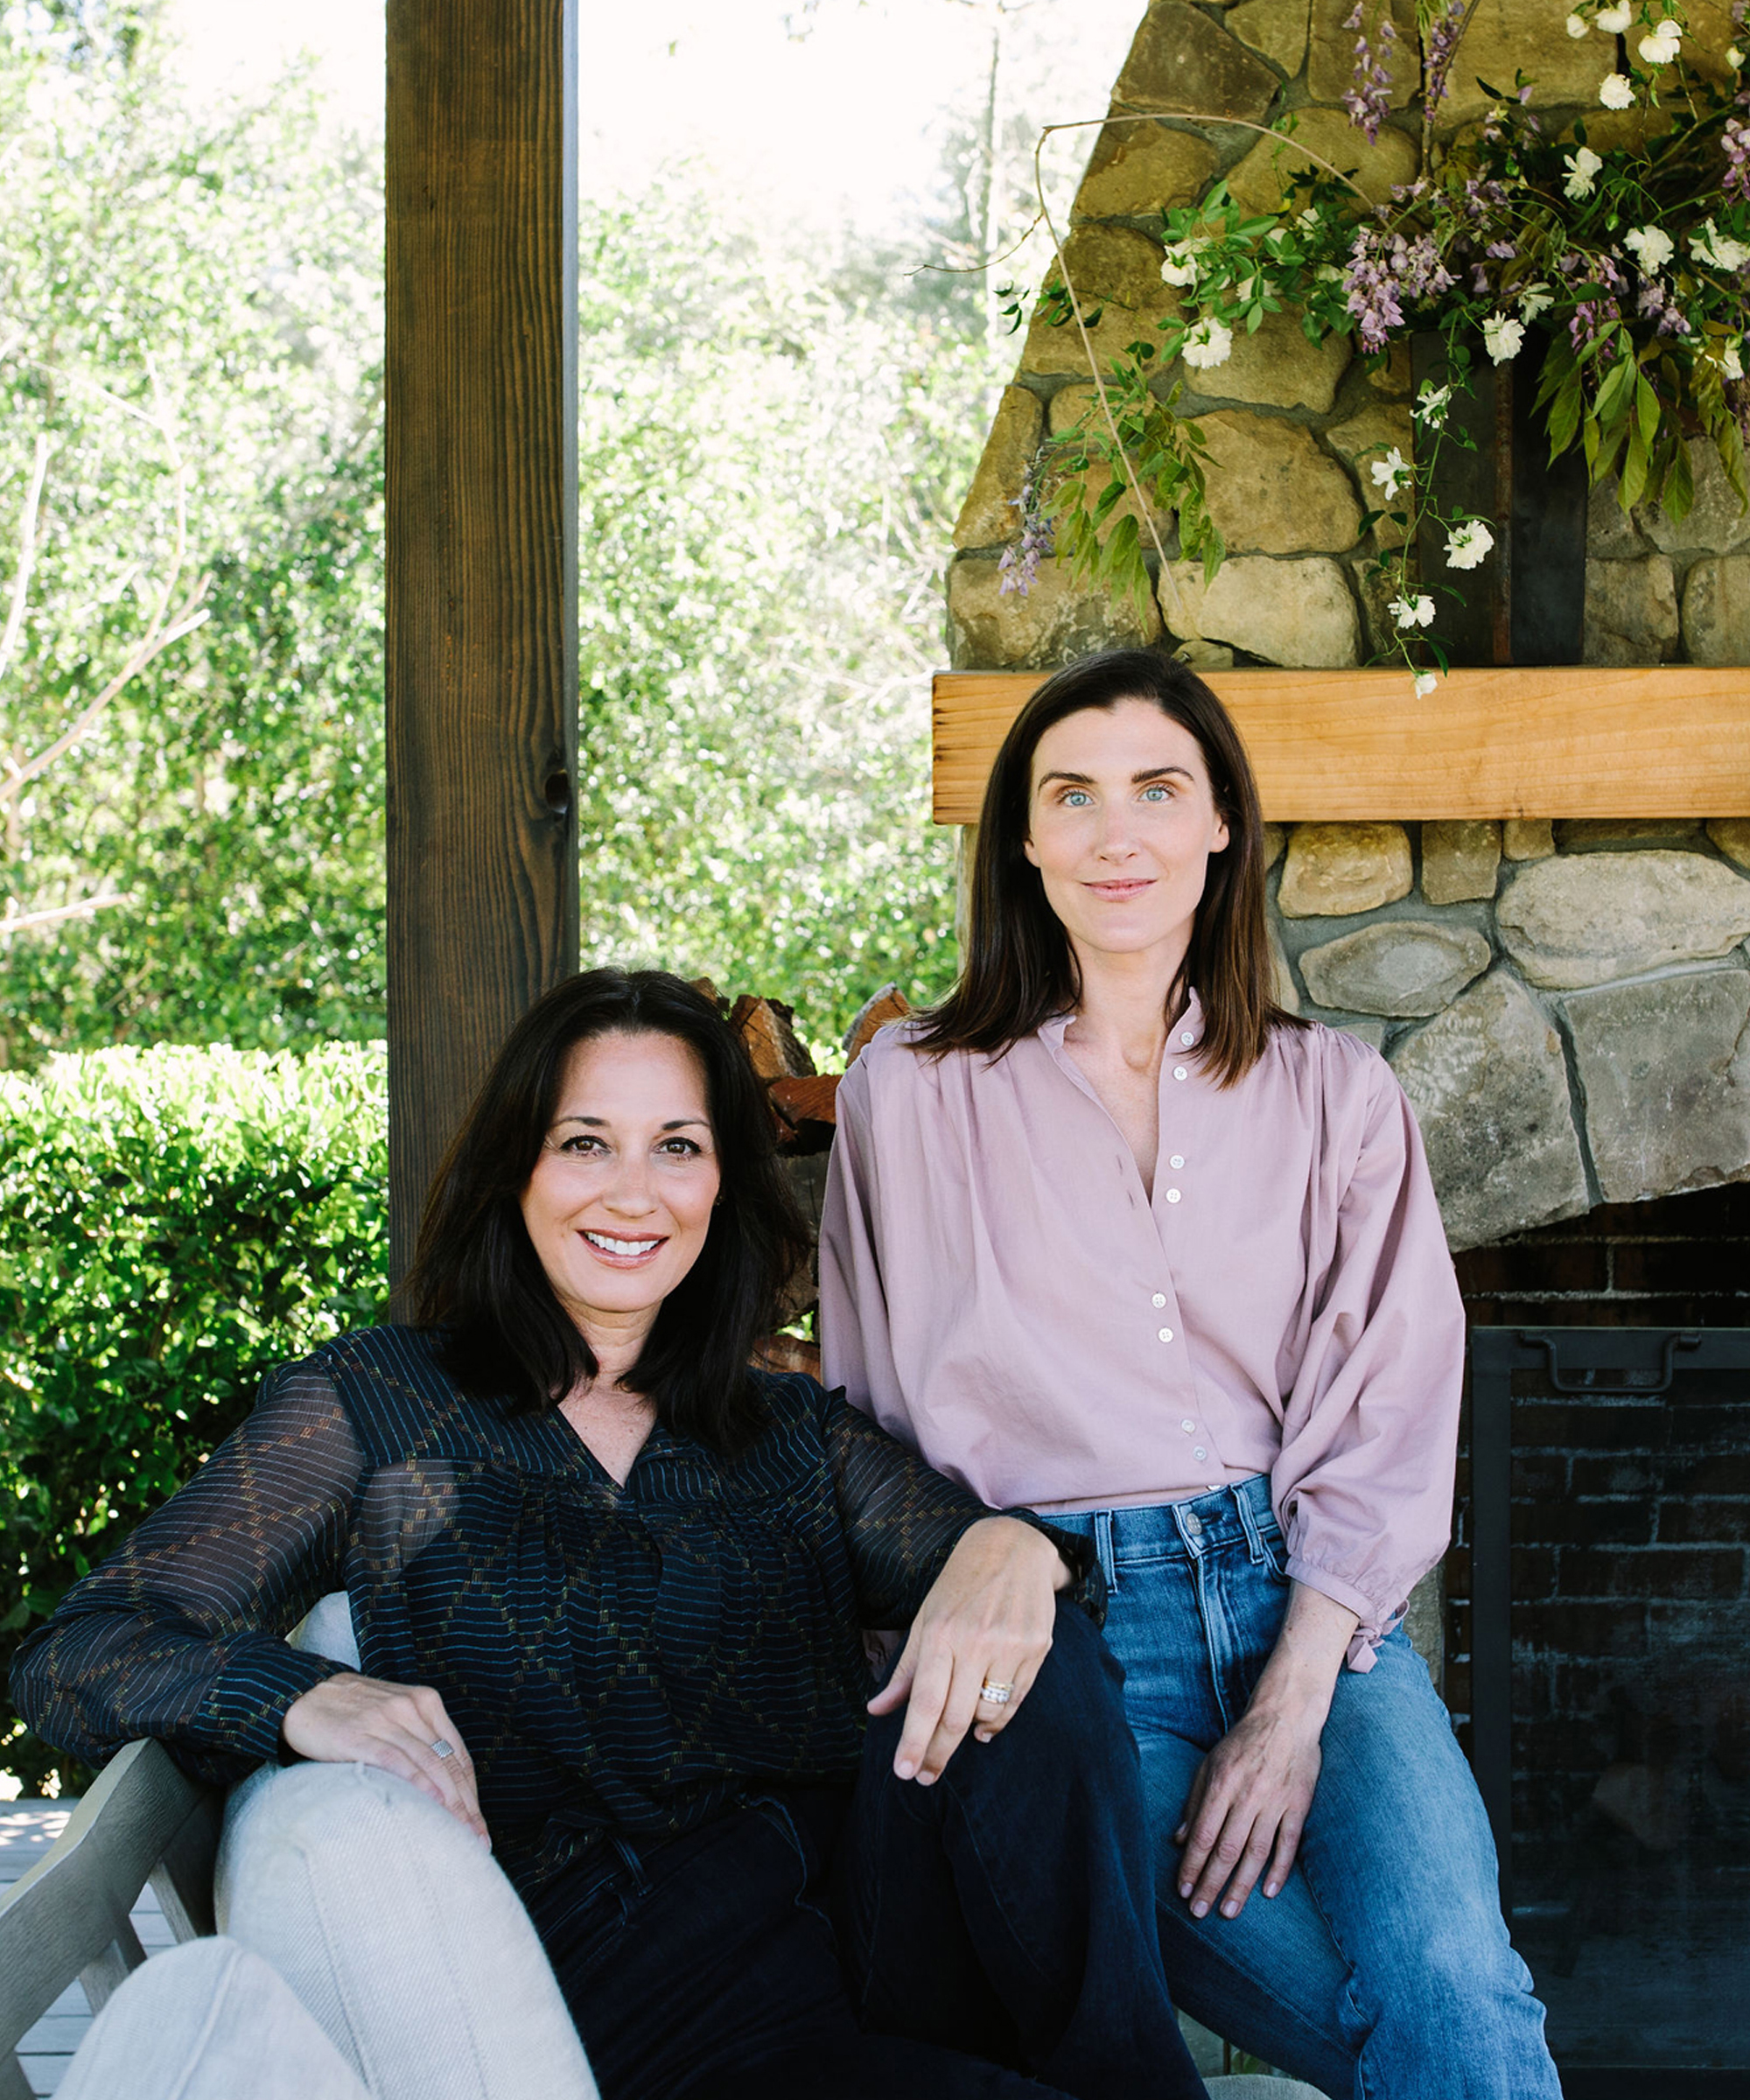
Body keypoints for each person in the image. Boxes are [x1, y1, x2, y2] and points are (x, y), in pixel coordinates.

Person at [11, 968, 1208, 2100]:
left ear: (721, 1184)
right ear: (515, 1168)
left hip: (871, 1936)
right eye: (587, 1143)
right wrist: (296, 1697)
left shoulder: (782, 1430)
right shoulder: (380, 1408)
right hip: (657, 2013)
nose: (633, 1193)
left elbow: (996, 1583)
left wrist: (1015, 1548)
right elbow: (77, 1654)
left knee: (1029, 1646)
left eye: (675, 1148)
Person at [820, 648, 1564, 2100]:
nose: (1117, 833)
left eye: (1158, 790)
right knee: (1371, 2020)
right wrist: (966, 1564)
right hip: (1069, 1646)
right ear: (1024, 840)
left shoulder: (1338, 1095)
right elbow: (864, 1411)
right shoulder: (905, 1097)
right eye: (1072, 796)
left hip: (1314, 1611)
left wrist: (1291, 1703)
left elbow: (1398, 1396)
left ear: (1221, 821)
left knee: (1458, 1991)